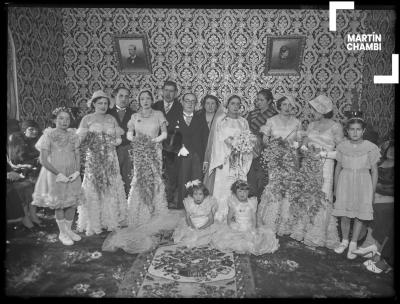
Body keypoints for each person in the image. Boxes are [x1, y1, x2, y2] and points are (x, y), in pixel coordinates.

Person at [102, 90, 183, 254]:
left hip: (154, 151)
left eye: (148, 98)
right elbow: (130, 135)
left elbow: (165, 134)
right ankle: (139, 212)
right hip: (139, 152)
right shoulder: (134, 117)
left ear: (152, 100)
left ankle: (155, 211)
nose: (145, 101)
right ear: (138, 101)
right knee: (139, 180)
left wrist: (152, 141)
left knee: (155, 180)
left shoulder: (159, 114)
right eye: (142, 98)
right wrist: (138, 141)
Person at [289, 95, 344, 249]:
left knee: (322, 197)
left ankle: (318, 234)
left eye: (314, 109)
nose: (311, 112)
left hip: (326, 165)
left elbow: (341, 151)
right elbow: (305, 145)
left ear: (322, 109)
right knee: (308, 195)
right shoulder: (311, 125)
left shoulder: (335, 126)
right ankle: (304, 230)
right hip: (309, 164)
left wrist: (323, 154)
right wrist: (303, 147)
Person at [76, 90, 127, 236]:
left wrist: (113, 142)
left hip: (110, 157)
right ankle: (94, 222)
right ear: (93, 104)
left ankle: (110, 220)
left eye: (105, 103)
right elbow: (80, 139)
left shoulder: (111, 119)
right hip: (94, 158)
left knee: (111, 187)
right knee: (94, 187)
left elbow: (119, 139)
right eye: (100, 103)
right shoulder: (87, 119)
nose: (103, 106)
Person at [31, 107, 82, 245]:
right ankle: (62, 233)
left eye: (67, 118)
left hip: (72, 172)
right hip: (55, 173)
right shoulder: (48, 135)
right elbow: (43, 160)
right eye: (61, 118)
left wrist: (77, 171)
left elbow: (77, 155)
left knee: (71, 203)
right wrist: (58, 174)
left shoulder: (73, 135)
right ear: (54, 120)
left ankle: (69, 230)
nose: (64, 121)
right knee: (59, 204)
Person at [332, 117, 380, 259]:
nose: (355, 132)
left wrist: (372, 191)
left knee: (360, 214)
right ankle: (344, 241)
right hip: (345, 182)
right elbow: (338, 168)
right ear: (347, 131)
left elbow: (375, 171)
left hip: (363, 182)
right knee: (345, 214)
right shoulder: (342, 146)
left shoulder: (370, 147)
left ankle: (353, 243)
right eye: (352, 129)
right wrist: (335, 188)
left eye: (358, 129)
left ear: (363, 131)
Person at [257, 95, 301, 236]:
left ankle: (286, 224)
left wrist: (292, 146)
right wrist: (275, 146)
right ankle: (270, 222)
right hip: (275, 159)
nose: (287, 108)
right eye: (284, 105)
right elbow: (265, 141)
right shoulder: (271, 121)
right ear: (279, 106)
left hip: (290, 160)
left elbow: (299, 143)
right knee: (275, 187)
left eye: (290, 105)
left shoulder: (297, 123)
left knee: (288, 189)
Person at [205, 95, 253, 223]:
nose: (235, 106)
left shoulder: (244, 122)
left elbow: (248, 140)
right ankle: (221, 214)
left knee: (238, 185)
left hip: (238, 161)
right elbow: (216, 141)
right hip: (224, 160)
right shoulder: (221, 121)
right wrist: (219, 159)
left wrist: (243, 150)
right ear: (227, 105)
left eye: (238, 104)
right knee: (224, 187)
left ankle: (237, 214)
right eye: (232, 103)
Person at [353, 136, 394, 273]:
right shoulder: (379, 161)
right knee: (364, 203)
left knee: (380, 209)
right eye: (391, 148)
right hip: (373, 195)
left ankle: (375, 247)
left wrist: (377, 188)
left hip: (387, 199)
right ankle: (365, 242)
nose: (392, 152)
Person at [211, 180, 279, 255]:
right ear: (235, 192)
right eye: (240, 191)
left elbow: (253, 218)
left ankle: (251, 237)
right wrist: (229, 226)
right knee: (230, 239)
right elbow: (229, 217)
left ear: (248, 192)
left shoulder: (251, 203)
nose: (242, 194)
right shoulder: (234, 203)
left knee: (256, 239)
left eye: (245, 192)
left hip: (248, 226)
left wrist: (253, 229)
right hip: (237, 226)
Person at [152, 80, 183, 208]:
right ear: (161, 91)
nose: (168, 93)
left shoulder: (181, 108)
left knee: (171, 175)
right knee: (155, 174)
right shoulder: (154, 106)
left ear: (176, 93)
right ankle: (154, 201)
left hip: (172, 148)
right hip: (155, 146)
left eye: (171, 91)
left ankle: (168, 201)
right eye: (166, 90)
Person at [176, 93, 209, 209]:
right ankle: (182, 207)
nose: (190, 103)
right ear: (182, 102)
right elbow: (170, 137)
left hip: (197, 156)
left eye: (193, 101)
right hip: (181, 156)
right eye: (187, 100)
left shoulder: (200, 118)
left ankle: (197, 207)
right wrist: (178, 148)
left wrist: (206, 159)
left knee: (197, 182)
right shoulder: (175, 117)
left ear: (196, 104)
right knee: (182, 180)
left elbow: (206, 139)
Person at [7, 119, 43, 225]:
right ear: (24, 130)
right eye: (31, 129)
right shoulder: (16, 139)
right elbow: (19, 159)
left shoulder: (36, 140)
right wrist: (37, 159)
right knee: (28, 189)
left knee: (37, 189)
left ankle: (33, 214)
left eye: (36, 129)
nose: (34, 132)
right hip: (20, 171)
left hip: (33, 169)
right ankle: (26, 217)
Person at [246, 89, 277, 199]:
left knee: (263, 176)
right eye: (257, 100)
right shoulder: (252, 114)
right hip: (251, 149)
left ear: (269, 101)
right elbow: (246, 131)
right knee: (251, 176)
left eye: (261, 100)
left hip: (266, 151)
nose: (258, 102)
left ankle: (261, 200)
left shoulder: (274, 116)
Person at [107, 86, 136, 196]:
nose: (124, 99)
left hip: (129, 149)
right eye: (121, 96)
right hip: (113, 150)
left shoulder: (134, 114)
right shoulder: (107, 113)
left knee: (129, 177)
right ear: (115, 96)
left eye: (126, 96)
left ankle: (129, 202)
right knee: (113, 177)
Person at [173, 180, 219, 248]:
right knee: (186, 237)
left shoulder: (207, 204)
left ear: (204, 195)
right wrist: (192, 227)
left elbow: (211, 220)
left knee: (209, 237)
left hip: (205, 226)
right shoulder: (189, 204)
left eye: (200, 194)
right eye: (195, 194)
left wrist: (202, 228)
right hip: (192, 224)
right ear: (192, 195)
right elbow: (188, 218)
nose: (198, 197)